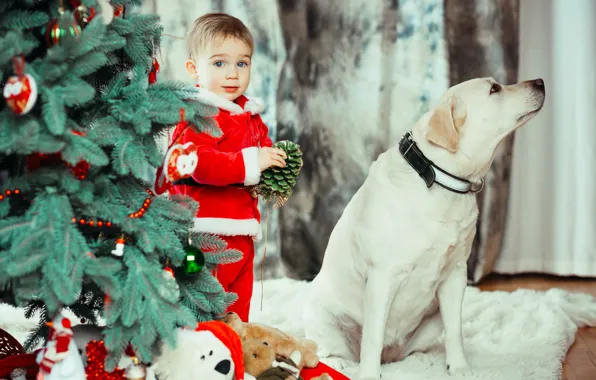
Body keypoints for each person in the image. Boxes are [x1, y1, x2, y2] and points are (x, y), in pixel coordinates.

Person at [156, 13, 287, 322]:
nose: (232, 74)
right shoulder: (197, 115)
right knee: (203, 304)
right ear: (193, 69)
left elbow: (263, 151)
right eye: (219, 63)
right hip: (204, 233)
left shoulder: (248, 114)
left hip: (242, 229)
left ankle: (235, 348)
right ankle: (200, 354)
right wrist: (253, 162)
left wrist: (277, 165)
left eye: (242, 63)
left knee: (237, 306)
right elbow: (202, 165)